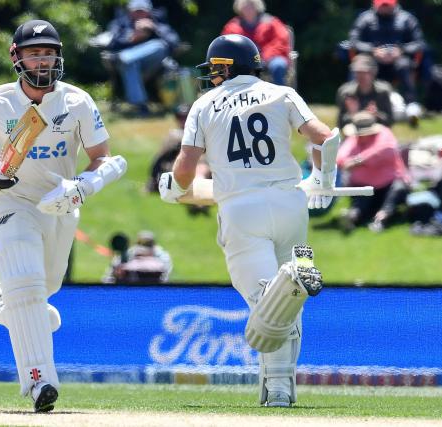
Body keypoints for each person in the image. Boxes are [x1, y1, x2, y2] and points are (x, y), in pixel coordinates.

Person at [0, 19, 127, 413]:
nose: (43, 61)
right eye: (34, 53)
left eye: (49, 53)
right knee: (26, 287)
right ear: (16, 57)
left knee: (38, 298)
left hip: (60, 207)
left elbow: (103, 159)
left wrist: (80, 186)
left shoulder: (78, 101)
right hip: (13, 202)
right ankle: (39, 380)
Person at [159, 34, 338, 407]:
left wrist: (172, 188)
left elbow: (187, 166)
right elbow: (325, 137)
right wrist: (322, 180)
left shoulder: (205, 104)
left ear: (224, 67)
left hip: (242, 208)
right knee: (289, 296)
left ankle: (276, 390)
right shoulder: (281, 93)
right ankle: (281, 385)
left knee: (268, 299)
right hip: (290, 204)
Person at [336, 111, 410, 233]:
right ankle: (352, 217)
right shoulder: (353, 139)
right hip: (363, 185)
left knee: (398, 188)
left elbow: (387, 150)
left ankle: (381, 219)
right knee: (361, 203)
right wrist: (354, 161)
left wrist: (360, 160)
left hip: (388, 183)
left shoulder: (385, 134)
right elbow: (341, 158)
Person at [349, 0, 425, 116]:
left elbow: (419, 44)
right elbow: (353, 42)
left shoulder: (407, 19)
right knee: (362, 66)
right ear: (375, 4)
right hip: (373, 61)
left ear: (394, 4)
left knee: (404, 65)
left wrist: (401, 50)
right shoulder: (365, 18)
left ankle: (411, 105)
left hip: (398, 62)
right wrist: (373, 50)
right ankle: (355, 100)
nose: (384, 8)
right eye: (382, 5)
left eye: (387, 5)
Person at [105, 0, 180, 115]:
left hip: (154, 63)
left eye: (142, 12)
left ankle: (125, 57)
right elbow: (112, 43)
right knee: (130, 64)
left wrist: (155, 29)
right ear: (130, 12)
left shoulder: (158, 23)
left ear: (149, 12)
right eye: (136, 12)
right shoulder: (120, 24)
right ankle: (140, 106)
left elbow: (174, 42)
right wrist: (132, 38)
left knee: (159, 46)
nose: (139, 15)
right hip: (128, 65)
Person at [221, 0, 290, 86]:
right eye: (245, 6)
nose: (248, 8)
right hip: (244, 62)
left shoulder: (271, 22)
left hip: (271, 58)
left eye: (251, 5)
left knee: (278, 65)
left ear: (257, 6)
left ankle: (281, 96)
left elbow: (281, 41)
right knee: (230, 69)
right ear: (240, 8)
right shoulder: (232, 27)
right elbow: (226, 46)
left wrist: (265, 57)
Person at [336, 54, 394, 129]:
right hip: (354, 134)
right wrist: (352, 114)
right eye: (358, 72)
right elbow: (340, 124)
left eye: (365, 72)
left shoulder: (383, 92)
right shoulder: (346, 93)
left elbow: (390, 121)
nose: (361, 76)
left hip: (377, 134)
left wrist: (376, 114)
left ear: (373, 73)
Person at [103, 230, 172, 284]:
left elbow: (164, 278)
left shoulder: (162, 256)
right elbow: (108, 279)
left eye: (147, 244)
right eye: (142, 244)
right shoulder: (128, 254)